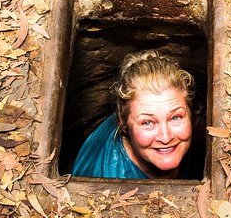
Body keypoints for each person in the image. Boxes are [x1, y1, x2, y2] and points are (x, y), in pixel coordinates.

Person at [71, 50, 194, 179]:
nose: (166, 137)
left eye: (175, 117)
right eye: (148, 122)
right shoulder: (109, 179)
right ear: (122, 121)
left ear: (191, 113)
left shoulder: (138, 111)